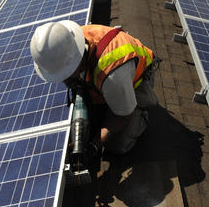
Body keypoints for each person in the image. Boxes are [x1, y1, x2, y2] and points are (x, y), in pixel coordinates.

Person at [30, 20, 158, 158]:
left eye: (64, 74)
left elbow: (123, 117)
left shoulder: (112, 75)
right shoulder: (68, 42)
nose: (62, 79)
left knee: (117, 144)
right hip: (112, 79)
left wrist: (94, 146)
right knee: (95, 115)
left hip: (137, 80)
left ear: (74, 62)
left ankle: (141, 113)